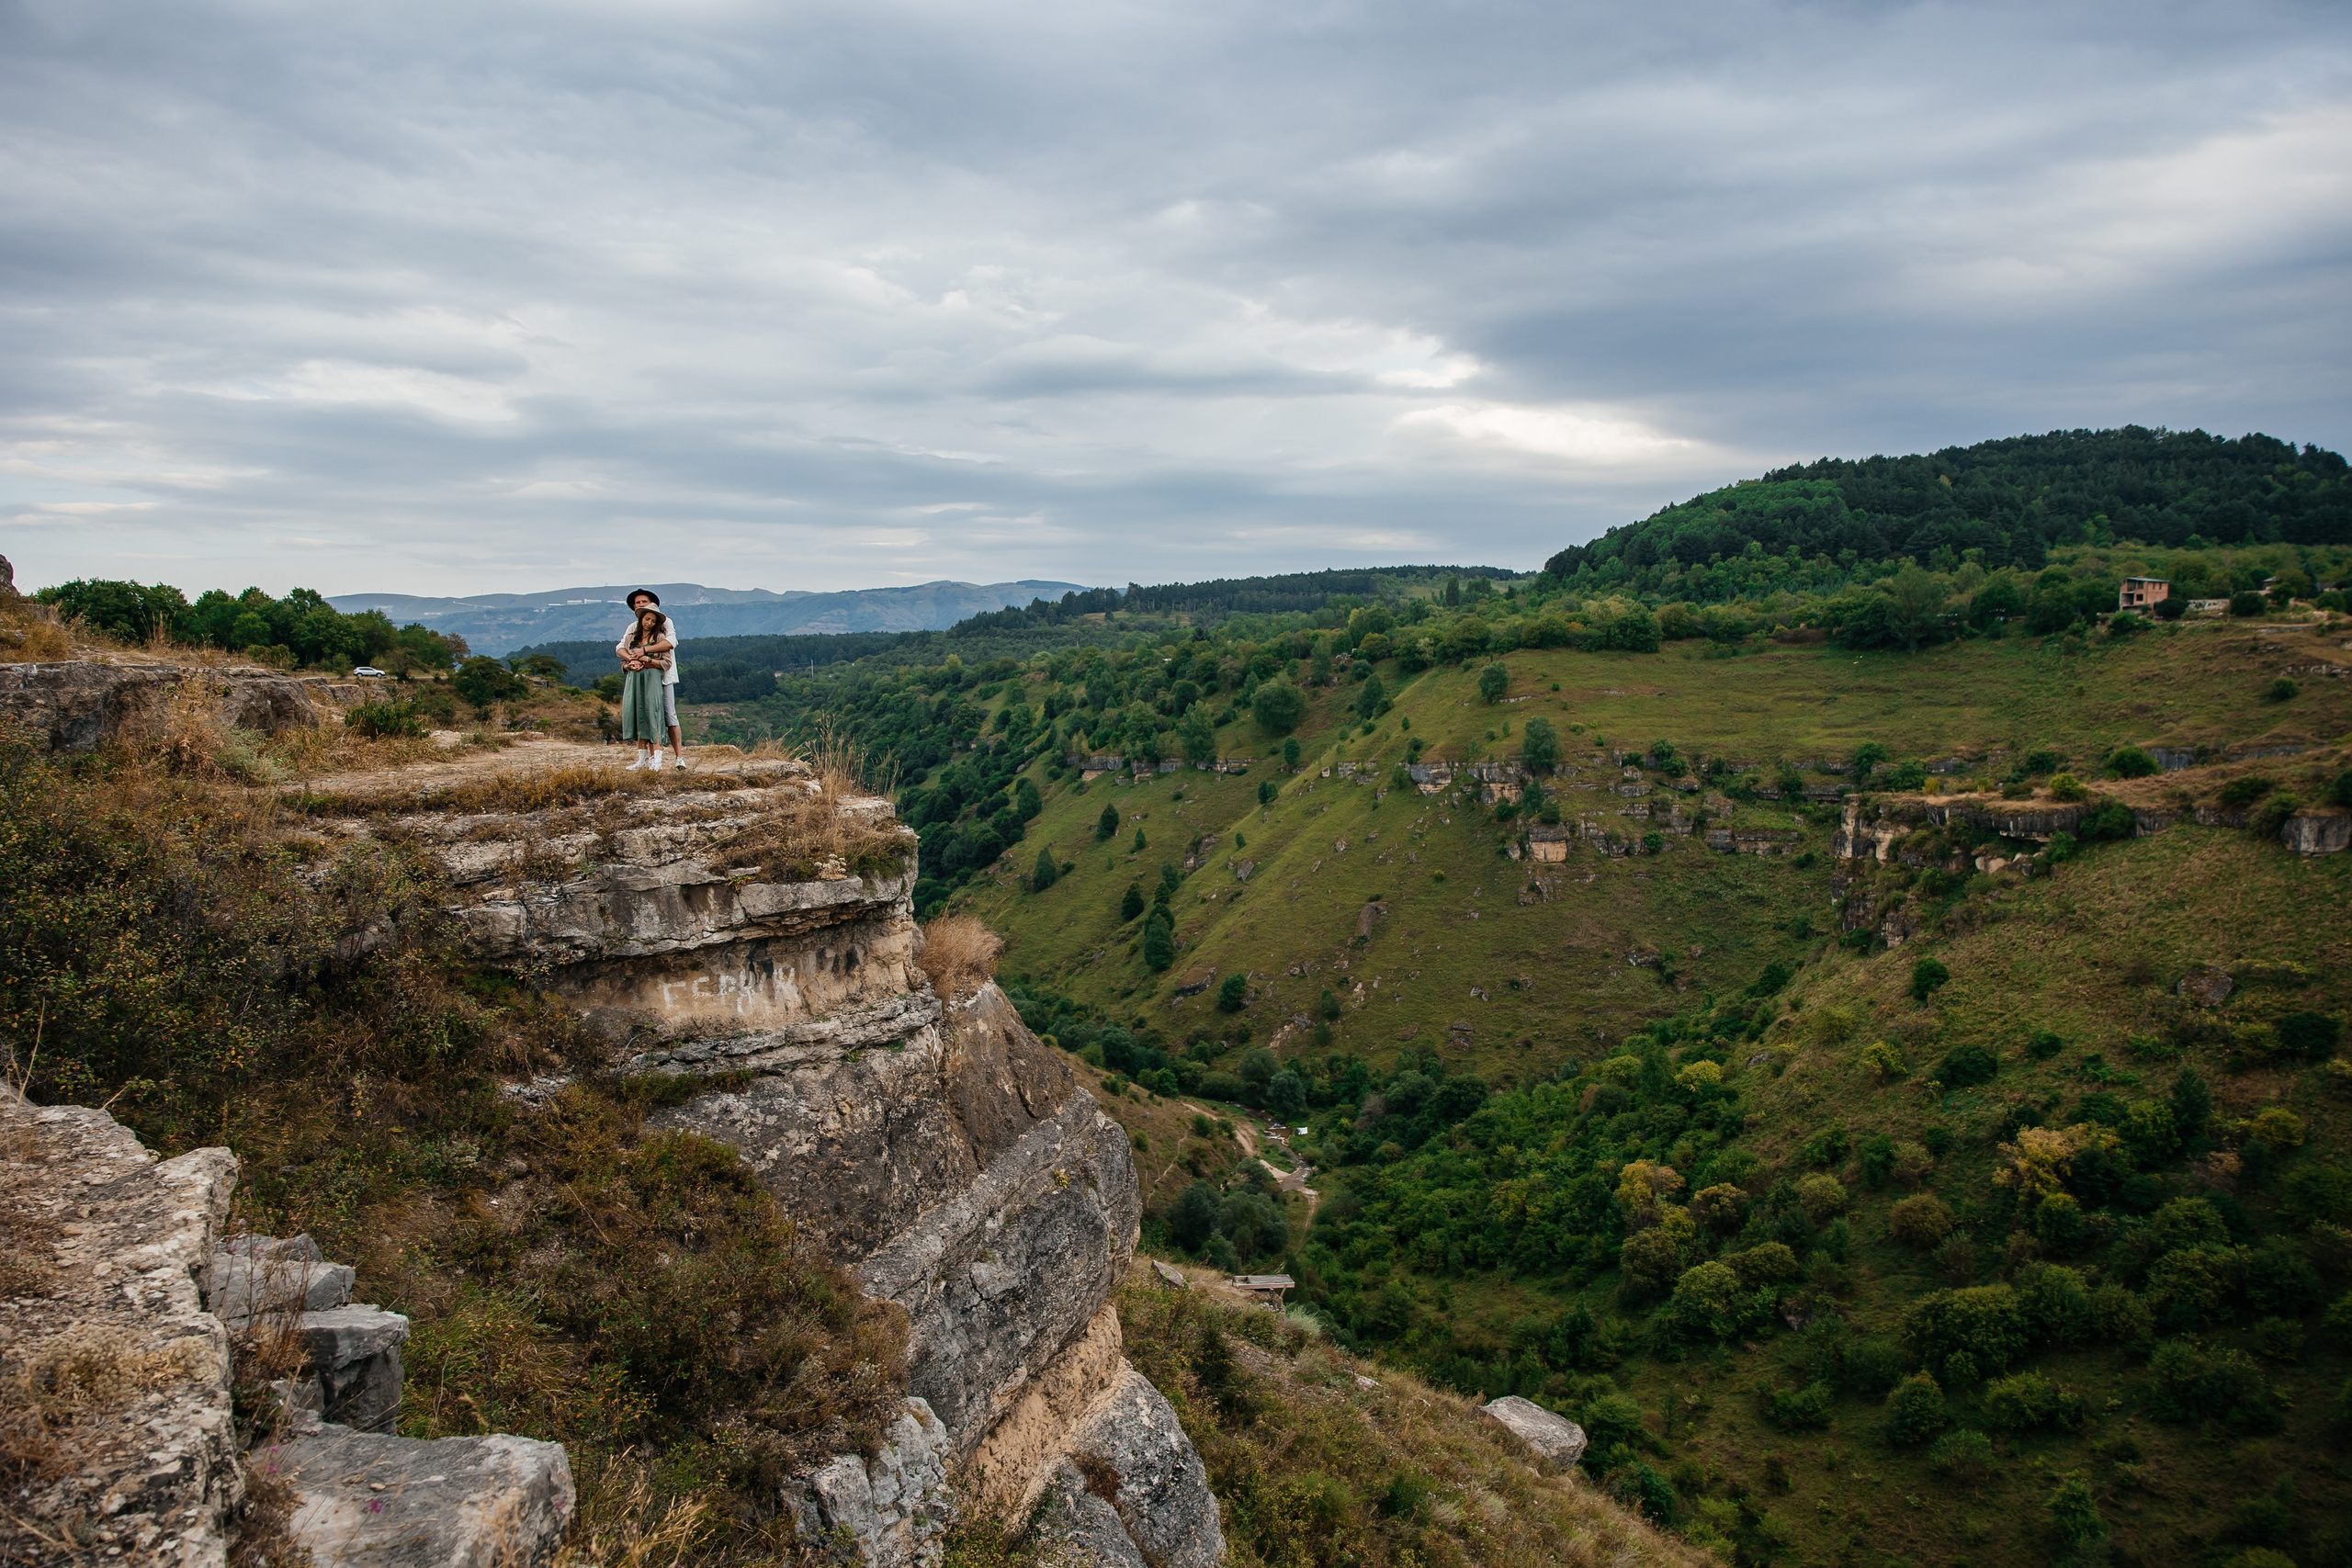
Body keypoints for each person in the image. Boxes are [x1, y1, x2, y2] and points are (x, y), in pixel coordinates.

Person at [616, 588, 688, 769]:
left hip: (663, 676)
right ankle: (648, 759)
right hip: (641, 677)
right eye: (638, 603)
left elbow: (670, 643)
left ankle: (678, 757)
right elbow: (620, 647)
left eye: (644, 602)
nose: (641, 605)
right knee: (644, 714)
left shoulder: (665, 623)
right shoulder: (633, 628)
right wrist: (631, 660)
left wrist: (644, 653)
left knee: (668, 715)